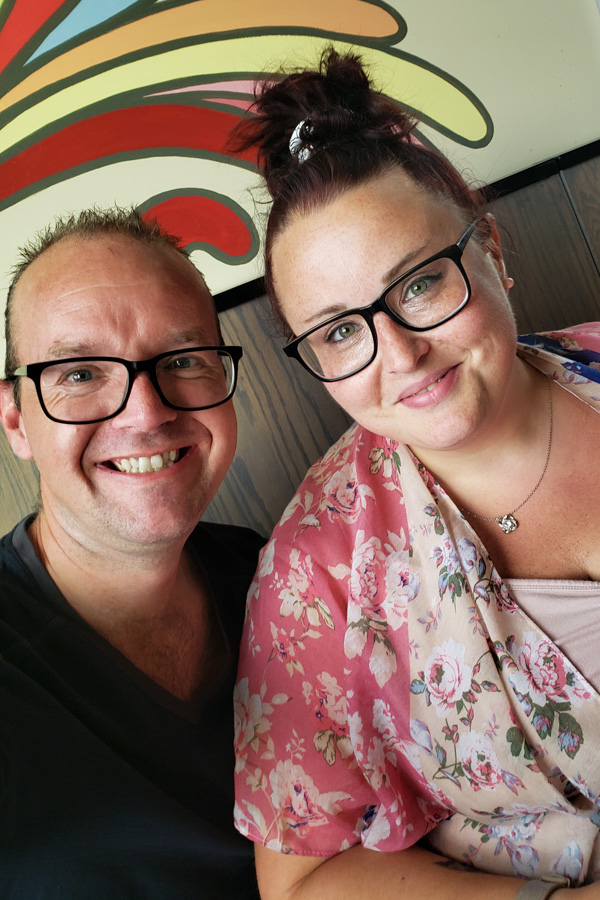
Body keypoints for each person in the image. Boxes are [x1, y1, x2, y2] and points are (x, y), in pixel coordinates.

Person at [230, 49, 600, 900]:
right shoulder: (311, 574)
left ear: (492, 251)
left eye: (422, 284)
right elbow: (299, 881)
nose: (397, 354)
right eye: (337, 333)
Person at [0, 208, 264, 898]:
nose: (145, 413)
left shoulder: (285, 580)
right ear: (14, 421)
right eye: (80, 374)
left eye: (181, 361)